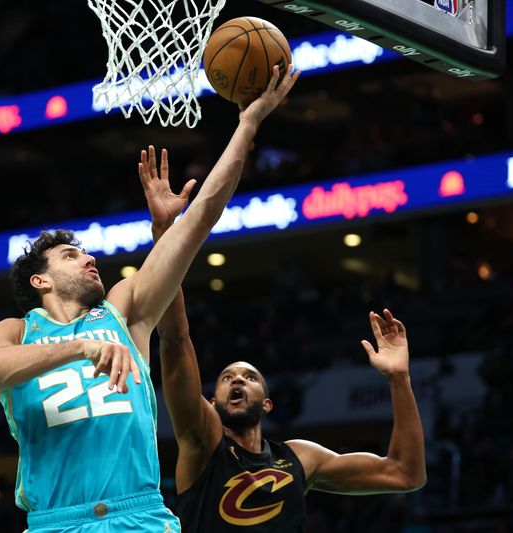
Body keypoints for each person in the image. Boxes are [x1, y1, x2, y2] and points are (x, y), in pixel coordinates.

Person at [0, 65, 300, 533]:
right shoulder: (17, 331)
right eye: (70, 255)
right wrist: (79, 348)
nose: (88, 259)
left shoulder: (125, 312)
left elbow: (202, 216)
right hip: (54, 522)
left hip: (137, 516)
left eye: (86, 252)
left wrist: (246, 125)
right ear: (39, 282)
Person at [144, 176, 426, 531]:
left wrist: (399, 379)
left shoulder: (299, 458)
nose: (237, 381)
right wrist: (164, 232)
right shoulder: (201, 443)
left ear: (267, 403)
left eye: (250, 377)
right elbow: (174, 338)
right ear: (211, 403)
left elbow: (405, 474)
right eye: (227, 377)